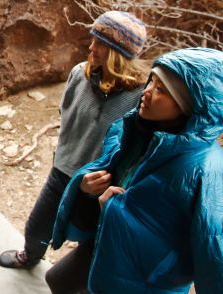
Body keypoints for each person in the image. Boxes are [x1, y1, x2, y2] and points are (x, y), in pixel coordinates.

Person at [48, 47, 223, 294]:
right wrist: (86, 188)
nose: (147, 91)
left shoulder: (206, 168)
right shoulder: (135, 128)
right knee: (58, 281)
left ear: (189, 105)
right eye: (152, 80)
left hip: (144, 279)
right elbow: (111, 172)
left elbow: (212, 249)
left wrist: (114, 208)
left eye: (161, 89)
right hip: (105, 243)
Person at [0, 11, 148, 269]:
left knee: (88, 238)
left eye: (100, 42)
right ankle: (31, 255)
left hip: (100, 182)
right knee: (37, 226)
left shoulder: (138, 96)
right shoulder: (80, 73)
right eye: (93, 39)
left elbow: (137, 145)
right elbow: (65, 112)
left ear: (117, 53)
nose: (91, 47)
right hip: (63, 170)